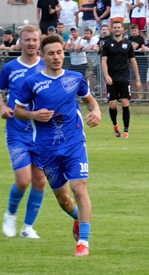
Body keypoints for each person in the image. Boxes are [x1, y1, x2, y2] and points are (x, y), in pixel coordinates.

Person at [7, 34, 99, 255]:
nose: (57, 57)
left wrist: (96, 111)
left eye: (59, 52)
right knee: (64, 200)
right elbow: (18, 111)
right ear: (43, 56)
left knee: (80, 188)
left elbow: (89, 101)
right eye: (51, 53)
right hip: (47, 149)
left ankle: (83, 243)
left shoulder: (75, 78)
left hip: (74, 144)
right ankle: (78, 219)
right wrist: (34, 114)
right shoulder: (32, 83)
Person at [2, 25, 78, 239]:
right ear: (21, 41)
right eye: (27, 40)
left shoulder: (46, 67)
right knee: (23, 179)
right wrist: (2, 107)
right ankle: (11, 214)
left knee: (40, 181)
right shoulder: (10, 68)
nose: (31, 43)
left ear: (39, 41)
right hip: (18, 132)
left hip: (42, 135)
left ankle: (28, 227)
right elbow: (0, 91)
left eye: (35, 39)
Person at [98, 20, 139, 138]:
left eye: (118, 27)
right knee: (113, 104)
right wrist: (106, 75)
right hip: (112, 78)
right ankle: (115, 124)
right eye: (114, 27)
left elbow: (133, 61)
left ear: (122, 29)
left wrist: (137, 78)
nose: (116, 29)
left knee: (125, 102)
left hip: (124, 77)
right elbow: (104, 61)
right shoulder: (107, 44)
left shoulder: (128, 44)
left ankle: (126, 130)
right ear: (112, 29)